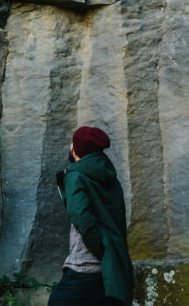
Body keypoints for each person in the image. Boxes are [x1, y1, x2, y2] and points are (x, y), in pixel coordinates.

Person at [50, 126, 133, 306]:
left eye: (73, 142)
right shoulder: (110, 177)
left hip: (85, 266)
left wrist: (101, 251)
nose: (70, 145)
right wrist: (108, 255)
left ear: (77, 149)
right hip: (112, 267)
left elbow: (80, 216)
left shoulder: (76, 175)